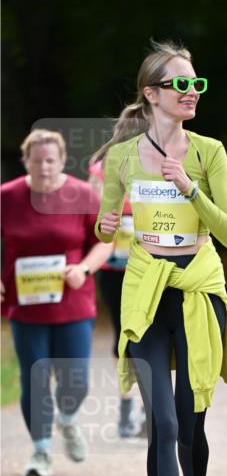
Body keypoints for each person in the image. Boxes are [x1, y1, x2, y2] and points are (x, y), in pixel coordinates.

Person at [93, 40, 227, 476]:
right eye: (180, 84)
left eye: (196, 83)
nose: (191, 92)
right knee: (162, 421)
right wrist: (103, 229)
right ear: (152, 94)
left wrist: (190, 190)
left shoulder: (209, 152)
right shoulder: (122, 157)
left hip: (198, 289)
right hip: (147, 289)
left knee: (190, 424)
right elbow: (106, 224)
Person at [0, 129, 113, 476]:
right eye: (37, 161)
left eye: (51, 161)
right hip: (26, 303)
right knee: (35, 377)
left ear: (62, 161)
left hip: (73, 301)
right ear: (26, 162)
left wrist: (83, 267)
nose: (44, 168)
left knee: (75, 380)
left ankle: (67, 419)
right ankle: (41, 451)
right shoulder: (8, 196)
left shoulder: (81, 194)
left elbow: (104, 242)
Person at [88, 160, 142, 437]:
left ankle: (149, 409)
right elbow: (92, 209)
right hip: (113, 269)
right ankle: (125, 407)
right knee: (123, 337)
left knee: (149, 335)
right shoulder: (99, 170)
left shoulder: (154, 163)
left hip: (147, 269)